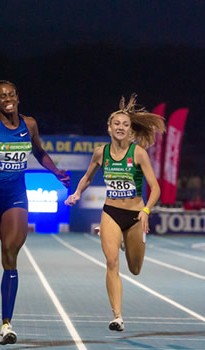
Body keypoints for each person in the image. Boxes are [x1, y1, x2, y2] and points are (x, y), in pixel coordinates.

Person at [0, 80, 70, 345]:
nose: (7, 98)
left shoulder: (29, 125)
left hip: (16, 198)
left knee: (11, 253)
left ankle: (6, 325)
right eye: (2, 96)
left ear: (17, 98)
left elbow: (40, 153)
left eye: (11, 94)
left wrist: (56, 173)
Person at [65, 95, 164, 332]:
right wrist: (77, 192)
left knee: (135, 269)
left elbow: (156, 188)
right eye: (116, 124)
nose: (120, 128)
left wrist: (146, 211)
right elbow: (88, 176)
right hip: (110, 212)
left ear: (131, 131)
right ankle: (117, 316)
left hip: (135, 216)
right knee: (111, 262)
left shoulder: (138, 153)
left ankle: (125, 242)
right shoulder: (101, 152)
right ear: (109, 128)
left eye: (125, 125)